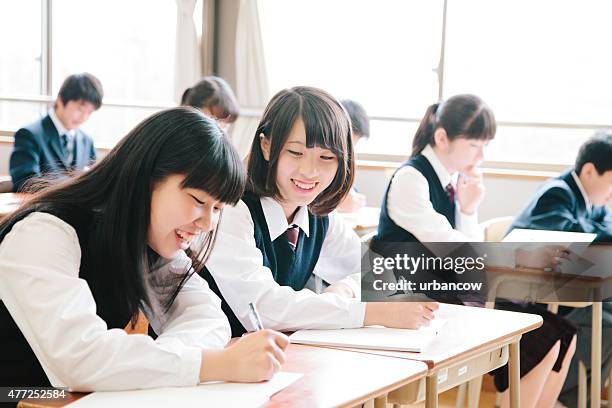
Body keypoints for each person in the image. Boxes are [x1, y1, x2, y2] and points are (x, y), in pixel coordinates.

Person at [0, 107, 288, 392]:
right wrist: (214, 364)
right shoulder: (44, 233)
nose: (207, 223)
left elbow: (209, 316)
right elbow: (80, 359)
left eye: (217, 209)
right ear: (147, 179)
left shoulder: (150, 242)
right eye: (198, 200)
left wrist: (157, 363)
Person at [372, 94, 577, 408]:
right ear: (442, 137)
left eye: (485, 146)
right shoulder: (411, 178)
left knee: (561, 333)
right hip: (411, 297)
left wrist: (468, 209)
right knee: (542, 334)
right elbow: (456, 250)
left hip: (448, 291)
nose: (481, 156)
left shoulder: (451, 181)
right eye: (474, 145)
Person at [200, 86, 438, 337]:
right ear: (266, 146)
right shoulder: (232, 211)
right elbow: (263, 309)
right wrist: (372, 313)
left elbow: (380, 273)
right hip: (215, 360)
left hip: (276, 361)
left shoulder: (317, 215)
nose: (309, 171)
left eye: (326, 157)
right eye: (295, 152)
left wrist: (346, 289)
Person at [508, 130, 612, 406]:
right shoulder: (558, 192)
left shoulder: (593, 201)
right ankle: (560, 398)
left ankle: (577, 398)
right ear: (590, 171)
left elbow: (601, 233)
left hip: (563, 291)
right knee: (607, 323)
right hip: (528, 296)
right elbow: (571, 241)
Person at [9, 73, 103, 192]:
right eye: (80, 109)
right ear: (60, 101)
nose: (84, 117)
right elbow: (25, 183)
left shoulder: (86, 141)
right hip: (40, 208)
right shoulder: (29, 135)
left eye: (89, 112)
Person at [336, 99, 369, 213]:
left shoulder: (348, 161)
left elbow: (350, 193)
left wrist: (355, 200)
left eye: (356, 141)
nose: (351, 149)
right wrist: (337, 206)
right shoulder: (324, 161)